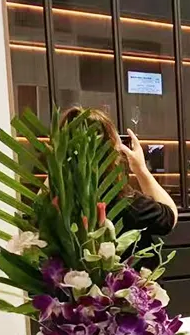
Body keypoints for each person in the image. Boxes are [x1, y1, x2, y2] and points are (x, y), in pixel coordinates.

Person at [58, 107, 178, 265]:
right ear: (112, 150)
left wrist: (59, 167)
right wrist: (141, 169)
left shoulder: (54, 204)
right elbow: (169, 218)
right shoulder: (129, 204)